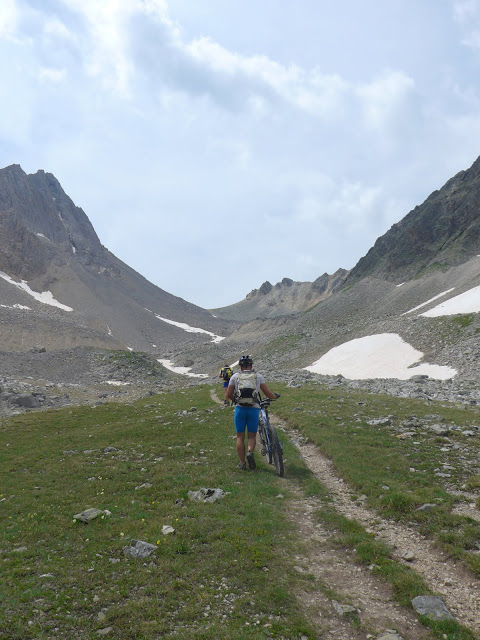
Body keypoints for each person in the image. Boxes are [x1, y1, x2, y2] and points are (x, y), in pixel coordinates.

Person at [225, 355, 279, 470]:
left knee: (240, 436)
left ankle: (242, 463)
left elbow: (228, 395)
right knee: (252, 436)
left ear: (240, 366)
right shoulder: (257, 376)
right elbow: (266, 392)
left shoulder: (235, 376)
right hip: (254, 409)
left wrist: (236, 400)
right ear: (251, 365)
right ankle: (250, 452)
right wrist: (274, 396)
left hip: (240, 409)